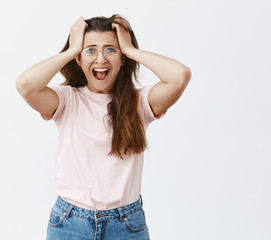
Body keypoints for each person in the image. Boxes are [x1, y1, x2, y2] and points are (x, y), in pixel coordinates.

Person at [15, 14, 191, 240]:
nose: (100, 59)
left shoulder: (139, 102)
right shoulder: (67, 100)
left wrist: (130, 49)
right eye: (90, 50)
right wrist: (71, 50)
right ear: (79, 59)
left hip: (127, 226)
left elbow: (180, 76)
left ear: (122, 58)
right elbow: (25, 85)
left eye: (110, 50)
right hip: (69, 223)